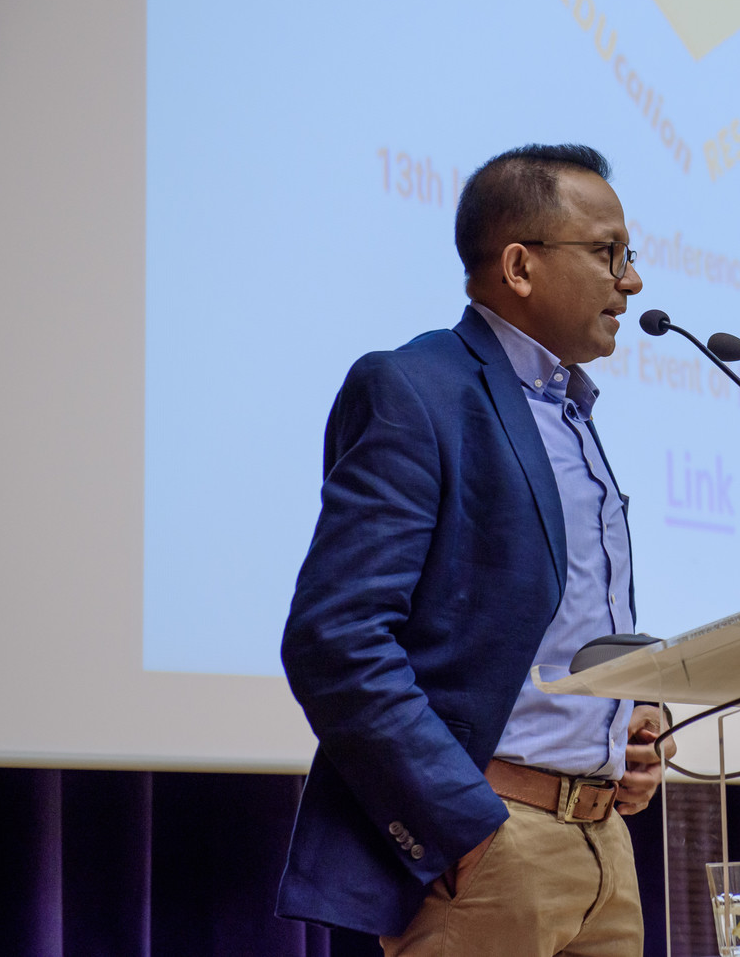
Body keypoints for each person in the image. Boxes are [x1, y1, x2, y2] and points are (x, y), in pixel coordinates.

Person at [275, 143, 669, 956]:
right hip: (494, 849)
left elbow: (545, 626)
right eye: (609, 253)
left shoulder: (569, 412)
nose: (631, 282)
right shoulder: (415, 389)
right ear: (520, 266)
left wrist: (626, 720)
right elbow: (334, 639)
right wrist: (464, 826)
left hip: (605, 850)